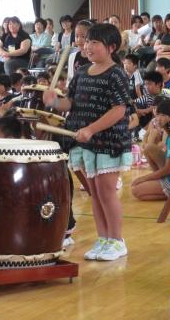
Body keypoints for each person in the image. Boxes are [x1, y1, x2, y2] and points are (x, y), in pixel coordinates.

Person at [43, 23, 132, 262]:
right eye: (87, 42)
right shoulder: (82, 72)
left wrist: (91, 129)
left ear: (111, 47)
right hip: (85, 141)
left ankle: (117, 240)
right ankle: (103, 238)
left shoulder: (116, 74)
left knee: (106, 192)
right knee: (95, 192)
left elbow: (119, 110)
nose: (88, 46)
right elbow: (70, 103)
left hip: (108, 141)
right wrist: (54, 101)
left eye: (95, 42)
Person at [131, 99, 170, 201]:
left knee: (136, 191)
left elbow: (168, 169)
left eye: (163, 115)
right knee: (149, 148)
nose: (158, 118)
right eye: (157, 115)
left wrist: (143, 178)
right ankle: (165, 187)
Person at [67, 20, 92, 85]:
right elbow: (70, 79)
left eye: (83, 36)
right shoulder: (72, 57)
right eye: (77, 36)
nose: (79, 40)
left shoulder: (95, 59)